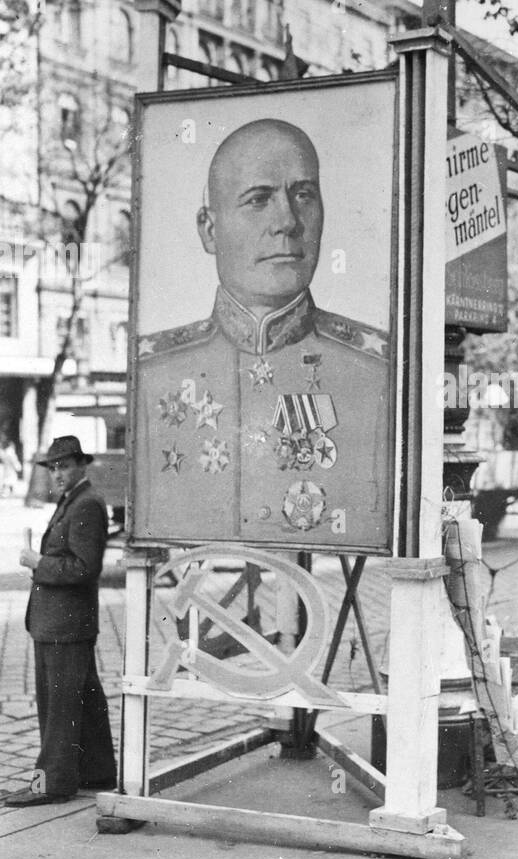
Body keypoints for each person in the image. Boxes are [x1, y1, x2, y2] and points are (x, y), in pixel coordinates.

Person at [135, 119, 390, 546]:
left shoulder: (375, 366)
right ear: (209, 230)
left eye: (304, 195)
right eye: (258, 200)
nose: (288, 221)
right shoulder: (152, 371)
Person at [4, 436, 115, 806]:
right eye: (53, 468)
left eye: (64, 466)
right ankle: (98, 772)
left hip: (65, 626)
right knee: (83, 700)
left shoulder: (86, 504)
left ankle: (49, 784)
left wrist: (38, 563)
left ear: (82, 465)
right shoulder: (76, 501)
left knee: (57, 709)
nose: (58, 474)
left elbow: (86, 568)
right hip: (61, 623)